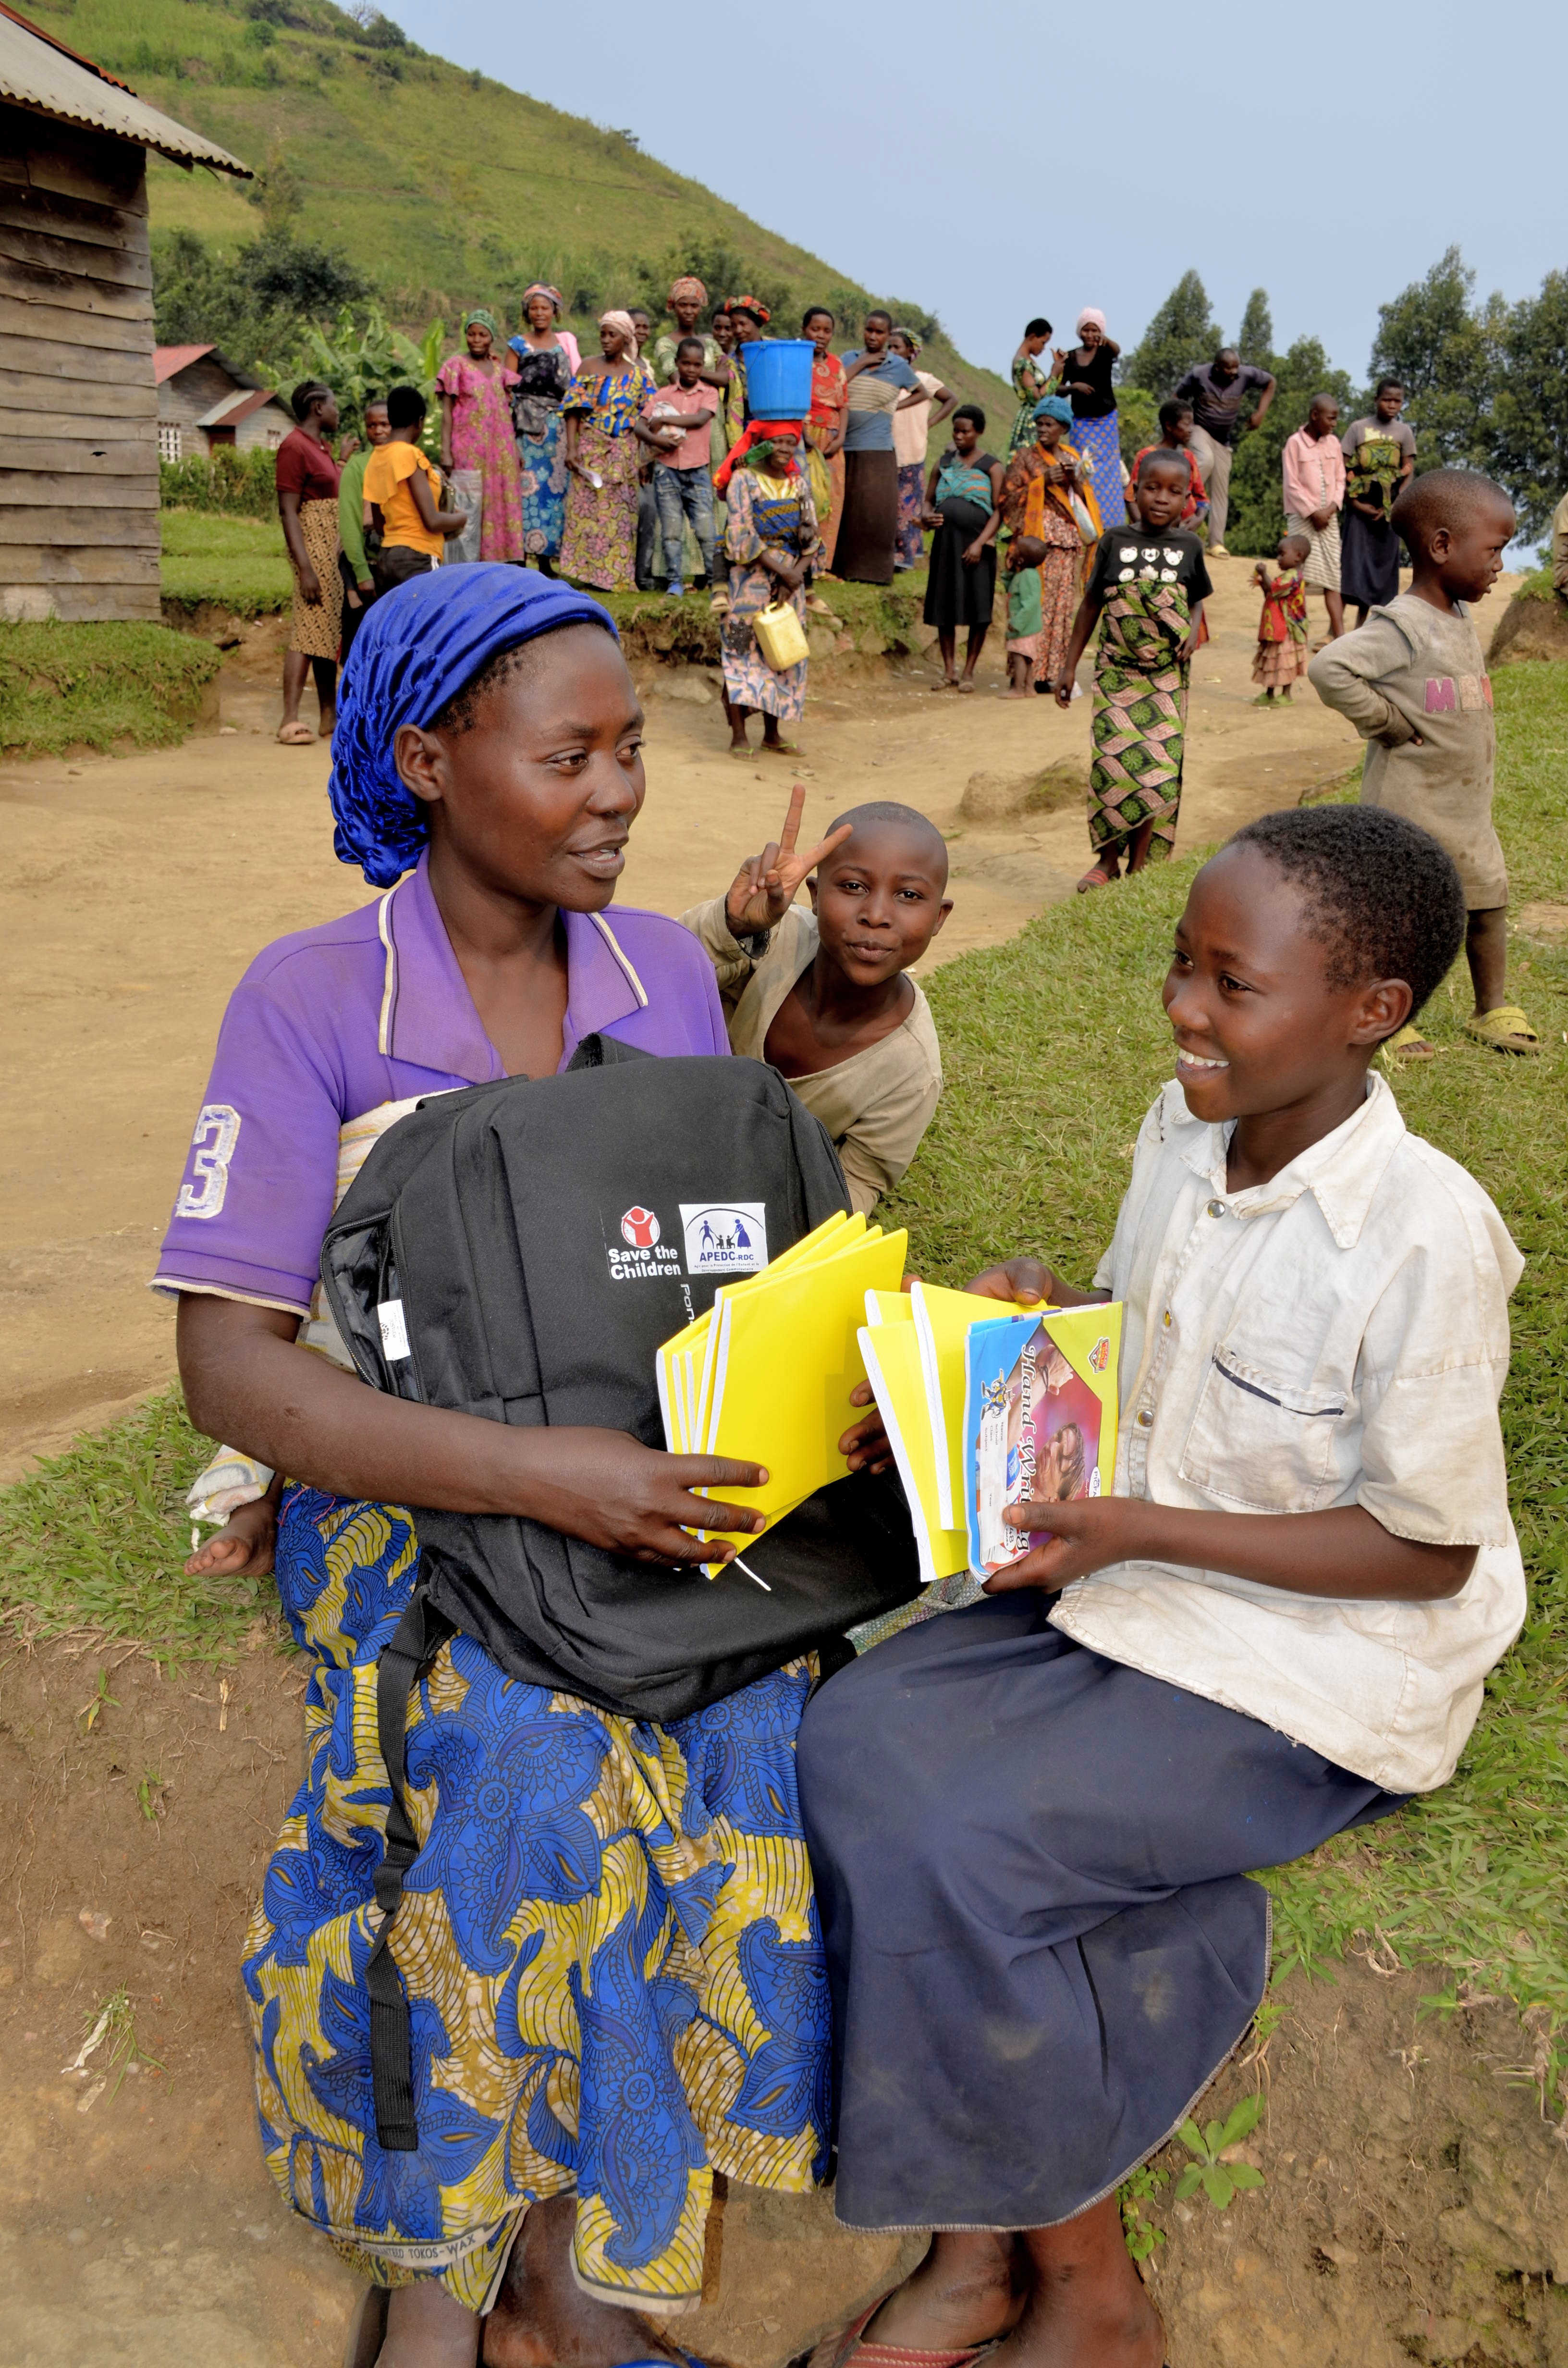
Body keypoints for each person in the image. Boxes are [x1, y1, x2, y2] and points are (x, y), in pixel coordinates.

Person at [159, 564, 856, 2368]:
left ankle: (576, 2269)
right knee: (522, 1756)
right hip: (411, 1486)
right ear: (430, 758)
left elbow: (700, 1280)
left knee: (753, 1716)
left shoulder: (652, 976)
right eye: (572, 756)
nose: (620, 791)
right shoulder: (313, 998)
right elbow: (228, 1368)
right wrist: (536, 1481)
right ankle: (439, 2278)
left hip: (636, 1476)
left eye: (631, 750)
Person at [796, 801, 1526, 2368]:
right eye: (1178, 967)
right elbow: (1155, 1321)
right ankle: (1039, 2156)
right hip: (1128, 1578)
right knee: (851, 1730)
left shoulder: (1425, 1239)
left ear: (1370, 1011)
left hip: (1314, 1658)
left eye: (1230, 984)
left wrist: (1135, 1528)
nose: (1186, 1009)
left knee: (958, 1833)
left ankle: (1080, 2285)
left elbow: (1426, 1543)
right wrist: (1045, 1310)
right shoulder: (1181, 1126)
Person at [1309, 467, 1538, 1059]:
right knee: (1401, 918)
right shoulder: (1401, 623)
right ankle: (1388, 1016)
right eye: (1493, 550)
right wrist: (1386, 720)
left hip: (1466, 807)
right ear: (1441, 546)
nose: (1499, 566)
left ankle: (1491, 1008)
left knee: (1487, 900)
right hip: (1410, 810)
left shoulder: (1460, 615)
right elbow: (1329, 668)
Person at [683, 786, 950, 1213]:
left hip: (756, 1186)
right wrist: (733, 923)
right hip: (669, 1114)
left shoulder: (911, 1070)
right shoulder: (775, 934)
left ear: (939, 917)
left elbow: (856, 1183)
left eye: (909, 896)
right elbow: (660, 973)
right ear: (814, 893)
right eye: (852, 886)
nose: (877, 915)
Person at [1056, 449, 1212, 889]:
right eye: (1152, 487)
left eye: (1174, 492)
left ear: (1187, 500)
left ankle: (1139, 867)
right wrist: (1069, 668)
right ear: (1135, 490)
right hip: (1116, 672)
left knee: (1156, 773)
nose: (1162, 498)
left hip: (1164, 677)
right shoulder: (1114, 541)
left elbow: (1196, 597)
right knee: (1113, 767)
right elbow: (1091, 605)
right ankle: (1107, 861)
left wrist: (1194, 629)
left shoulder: (1190, 547)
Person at [714, 420, 821, 757]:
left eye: (792, 443)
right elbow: (740, 534)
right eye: (778, 443)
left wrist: (795, 576)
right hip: (749, 582)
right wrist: (784, 573)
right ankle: (739, 736)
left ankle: (773, 735)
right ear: (762, 445)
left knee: (783, 653)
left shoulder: (799, 483)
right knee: (739, 651)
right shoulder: (743, 480)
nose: (786, 450)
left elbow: (812, 535)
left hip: (791, 581)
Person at [999, 394, 1099, 698]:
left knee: (1060, 608)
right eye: (1040, 424)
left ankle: (1052, 673)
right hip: (1036, 542)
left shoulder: (1072, 458)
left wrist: (1074, 482)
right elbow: (1007, 499)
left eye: (1049, 425)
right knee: (1033, 605)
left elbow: (1084, 502)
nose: (1043, 429)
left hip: (1066, 542)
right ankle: (1027, 674)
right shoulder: (1025, 458)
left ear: (1063, 428)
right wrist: (1041, 481)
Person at [557, 311, 662, 592]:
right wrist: (572, 448)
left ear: (626, 339)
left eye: (611, 335)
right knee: (589, 511)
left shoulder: (640, 377)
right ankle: (589, 574)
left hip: (624, 452)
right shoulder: (588, 367)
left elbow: (653, 415)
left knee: (620, 515)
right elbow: (573, 410)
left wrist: (646, 459)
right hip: (591, 449)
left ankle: (615, 576)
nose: (605, 340)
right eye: (603, 334)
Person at [275, 379, 344, 747]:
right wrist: (305, 567)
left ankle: (328, 716)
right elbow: (289, 511)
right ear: (318, 408)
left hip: (327, 548)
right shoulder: (293, 447)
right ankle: (289, 718)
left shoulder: (320, 448)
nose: (337, 411)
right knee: (307, 630)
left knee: (325, 632)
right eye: (333, 405)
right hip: (311, 547)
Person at [835, 311, 921, 584]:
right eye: (869, 330)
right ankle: (840, 570)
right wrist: (863, 363)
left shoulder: (898, 367)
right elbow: (834, 386)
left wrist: (896, 407)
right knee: (845, 509)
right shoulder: (848, 359)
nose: (873, 336)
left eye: (880, 332)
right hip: (843, 445)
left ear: (888, 335)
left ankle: (872, 573)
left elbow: (922, 393)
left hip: (878, 449)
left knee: (873, 513)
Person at [922, 405, 1003, 690]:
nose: (958, 436)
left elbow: (999, 511)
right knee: (945, 604)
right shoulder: (943, 464)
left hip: (978, 546)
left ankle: (969, 672)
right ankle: (949, 671)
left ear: (978, 433)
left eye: (965, 431)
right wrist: (926, 515)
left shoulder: (992, 467)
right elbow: (928, 499)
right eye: (955, 430)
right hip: (946, 544)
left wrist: (980, 544)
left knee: (978, 606)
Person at [362, 385, 469, 593]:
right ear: (419, 422)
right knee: (428, 623)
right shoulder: (411, 456)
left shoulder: (376, 460)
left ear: (391, 419)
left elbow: (380, 525)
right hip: (417, 558)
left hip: (387, 559)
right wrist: (463, 518)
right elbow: (433, 521)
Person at [435, 310, 522, 564]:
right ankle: (463, 565)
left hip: (500, 452)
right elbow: (448, 413)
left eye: (482, 335)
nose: (476, 340)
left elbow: (506, 413)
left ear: (491, 338)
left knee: (498, 504)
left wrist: (516, 450)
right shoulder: (455, 367)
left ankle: (496, 562)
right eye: (471, 334)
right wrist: (446, 451)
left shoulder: (499, 370)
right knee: (468, 504)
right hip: (467, 449)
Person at [507, 284, 582, 575]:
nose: (540, 313)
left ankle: (547, 561)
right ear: (528, 312)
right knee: (527, 491)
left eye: (545, 308)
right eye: (534, 308)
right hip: (527, 426)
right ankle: (522, 557)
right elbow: (508, 390)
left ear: (555, 312)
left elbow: (574, 389)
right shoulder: (517, 345)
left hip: (557, 428)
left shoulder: (564, 345)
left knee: (555, 493)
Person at [1175, 345, 1276, 556]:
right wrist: (1180, 428)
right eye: (1229, 368)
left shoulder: (1245, 375)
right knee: (1206, 460)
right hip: (1199, 429)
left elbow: (1270, 382)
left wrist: (1260, 414)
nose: (1234, 372)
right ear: (1217, 368)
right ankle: (1181, 494)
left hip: (1223, 439)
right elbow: (1177, 398)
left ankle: (1216, 543)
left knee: (1221, 489)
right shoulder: (1199, 375)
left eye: (1236, 367)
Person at [643, 337, 718, 597]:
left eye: (697, 365)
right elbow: (640, 425)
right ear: (676, 364)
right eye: (686, 363)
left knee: (707, 531)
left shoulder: (709, 393)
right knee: (672, 531)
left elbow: (699, 420)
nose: (691, 369)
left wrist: (663, 418)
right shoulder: (663, 394)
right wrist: (657, 440)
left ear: (703, 366)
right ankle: (675, 582)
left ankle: (715, 583)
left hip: (697, 471)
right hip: (667, 470)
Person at [1340, 379, 1416, 622]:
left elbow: (1409, 469)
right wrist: (1356, 503)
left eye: (1397, 401)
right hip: (1359, 510)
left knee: (1380, 573)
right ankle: (1335, 630)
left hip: (1388, 515)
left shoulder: (1404, 432)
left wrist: (1394, 506)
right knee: (1352, 568)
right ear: (1376, 400)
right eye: (1387, 400)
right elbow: (1342, 467)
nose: (1392, 405)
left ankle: (1363, 628)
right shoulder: (1357, 429)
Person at [888, 328, 955, 570]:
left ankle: (904, 556)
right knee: (888, 504)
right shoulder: (886, 379)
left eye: (898, 347)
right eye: (890, 347)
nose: (893, 352)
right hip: (886, 450)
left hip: (912, 450)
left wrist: (930, 423)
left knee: (907, 506)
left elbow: (951, 399)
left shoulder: (924, 380)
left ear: (910, 352)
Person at [1282, 393, 1347, 640]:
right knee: (1299, 575)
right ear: (1315, 416)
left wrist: (1329, 510)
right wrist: (1313, 512)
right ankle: (1297, 633)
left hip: (1329, 520)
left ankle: (1340, 636)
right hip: (1303, 519)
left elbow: (1341, 480)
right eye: (1331, 418)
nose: (1334, 424)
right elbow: (1292, 485)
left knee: (1332, 576)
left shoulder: (1334, 443)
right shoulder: (1294, 444)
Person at [1053, 308, 1125, 528]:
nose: (1090, 334)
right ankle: (1085, 517)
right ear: (1079, 332)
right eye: (1086, 330)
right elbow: (1058, 388)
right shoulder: (1071, 357)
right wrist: (1075, 387)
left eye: (1095, 330)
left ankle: (1109, 521)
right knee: (1083, 467)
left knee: (1108, 469)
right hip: (1081, 422)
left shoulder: (1105, 353)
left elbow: (1117, 350)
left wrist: (1106, 339)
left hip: (1106, 420)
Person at [336, 394, 391, 665]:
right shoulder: (358, 466)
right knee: (359, 643)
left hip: (396, 564)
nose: (379, 430)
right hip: (366, 563)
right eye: (372, 425)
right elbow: (349, 520)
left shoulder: (407, 461)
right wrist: (360, 571)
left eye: (385, 424)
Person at [804, 306, 849, 566]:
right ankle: (802, 561)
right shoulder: (796, 359)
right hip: (804, 434)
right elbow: (790, 399)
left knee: (833, 495)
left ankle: (822, 564)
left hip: (833, 438)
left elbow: (844, 404)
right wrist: (804, 436)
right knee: (806, 495)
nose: (821, 335)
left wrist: (841, 437)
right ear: (804, 330)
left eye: (827, 331)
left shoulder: (837, 363)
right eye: (815, 329)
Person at [1251, 531, 1311, 704]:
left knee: (1285, 659)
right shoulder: (1285, 576)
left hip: (1288, 628)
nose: (1278, 558)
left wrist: (1264, 573)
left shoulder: (1293, 578)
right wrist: (1263, 582)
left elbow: (1275, 589)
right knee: (1273, 660)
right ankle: (1269, 692)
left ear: (1298, 556)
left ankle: (1287, 693)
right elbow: (1271, 593)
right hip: (1275, 626)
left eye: (1282, 554)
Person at [1129, 397, 1208, 529]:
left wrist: (1199, 518)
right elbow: (1130, 496)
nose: (1191, 430)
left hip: (1182, 531)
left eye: (1192, 425)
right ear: (1169, 426)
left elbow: (1202, 498)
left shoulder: (1189, 457)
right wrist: (1142, 527)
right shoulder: (1146, 456)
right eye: (1186, 424)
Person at [650, 274, 731, 395]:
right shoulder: (665, 344)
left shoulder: (711, 344)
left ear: (701, 308)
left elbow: (725, 379)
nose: (689, 311)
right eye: (683, 305)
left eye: (694, 306)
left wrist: (690, 372)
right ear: (674, 307)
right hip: (684, 409)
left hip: (714, 410)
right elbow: (677, 381)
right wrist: (713, 377)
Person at [1007, 318, 1054, 453]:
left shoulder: (1028, 361)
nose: (1043, 348)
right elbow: (1036, 397)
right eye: (1043, 343)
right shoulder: (1022, 364)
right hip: (1030, 421)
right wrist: (1054, 375)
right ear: (1033, 337)